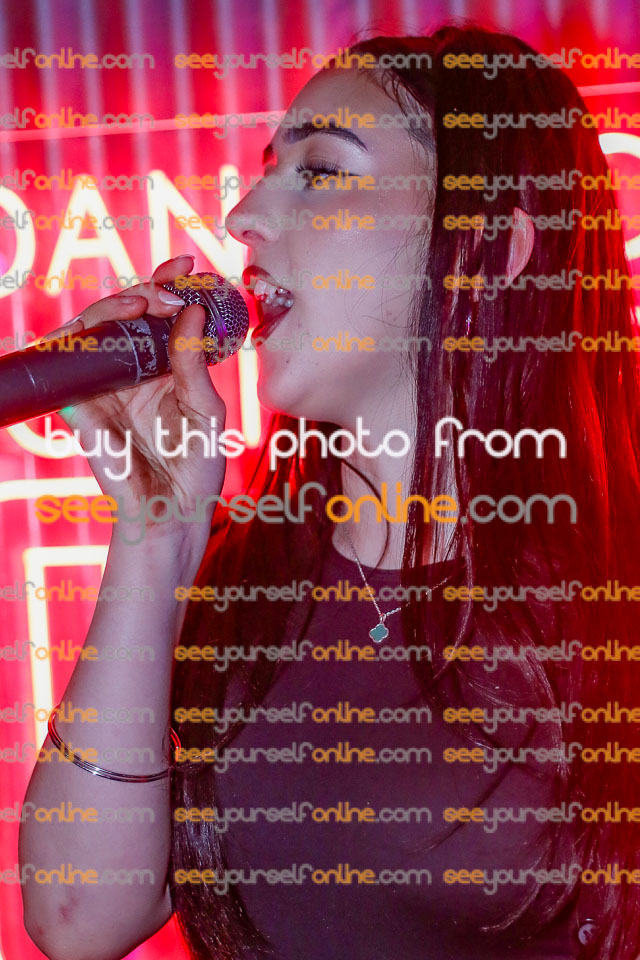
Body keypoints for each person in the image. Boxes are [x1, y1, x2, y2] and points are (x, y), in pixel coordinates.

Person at [19, 24, 640, 960]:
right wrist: (157, 533)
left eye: (321, 171)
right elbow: (77, 921)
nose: (243, 219)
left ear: (488, 247)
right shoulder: (244, 585)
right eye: (269, 170)